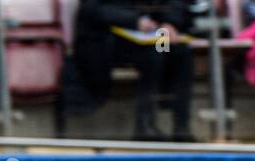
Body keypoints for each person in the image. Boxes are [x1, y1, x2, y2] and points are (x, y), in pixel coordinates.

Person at [72, 0, 195, 141]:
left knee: (181, 52)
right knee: (154, 55)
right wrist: (134, 20)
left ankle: (181, 128)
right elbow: (92, 10)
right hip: (109, 41)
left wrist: (169, 22)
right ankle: (145, 126)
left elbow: (174, 3)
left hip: (152, 36)